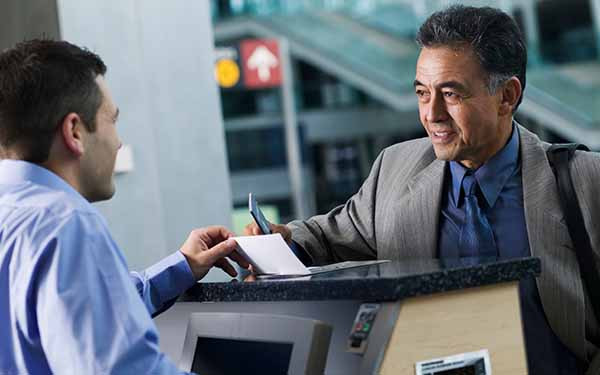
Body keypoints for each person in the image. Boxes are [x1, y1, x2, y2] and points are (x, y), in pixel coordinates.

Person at [245, 5, 600, 374]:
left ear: (507, 96)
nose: (431, 114)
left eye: (450, 94)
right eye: (421, 93)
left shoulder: (585, 182)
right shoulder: (395, 169)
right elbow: (327, 235)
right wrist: (282, 239)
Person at [0, 39, 249, 374]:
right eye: (112, 121)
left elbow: (83, 311)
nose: (118, 142)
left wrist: (183, 266)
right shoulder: (65, 224)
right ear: (75, 131)